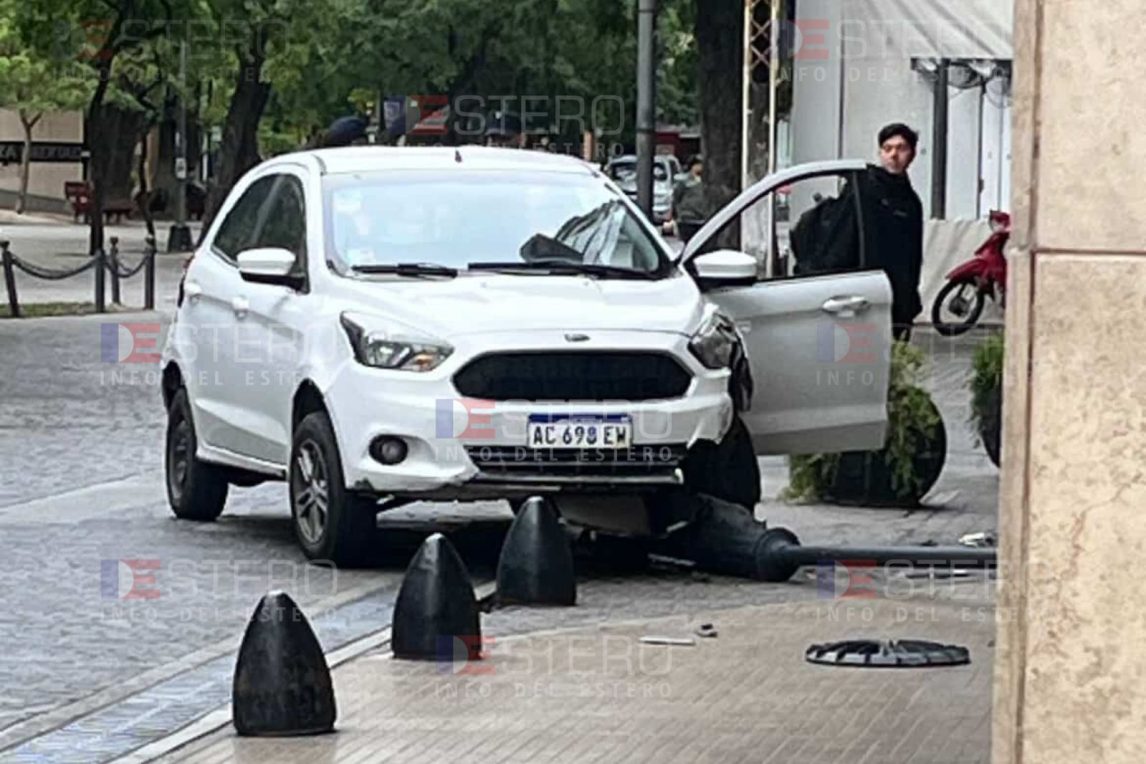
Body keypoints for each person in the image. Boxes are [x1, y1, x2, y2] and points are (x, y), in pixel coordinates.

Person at [858, 123, 925, 342]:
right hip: (862, 291)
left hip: (897, 294)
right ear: (880, 153)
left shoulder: (911, 202)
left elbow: (913, 255)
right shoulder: (864, 188)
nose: (894, 155)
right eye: (887, 149)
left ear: (913, 154)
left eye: (901, 148)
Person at [665, 154, 709, 244]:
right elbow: (676, 199)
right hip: (686, 219)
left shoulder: (707, 183)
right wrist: (673, 216)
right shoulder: (684, 182)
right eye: (697, 164)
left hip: (701, 218)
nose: (700, 167)